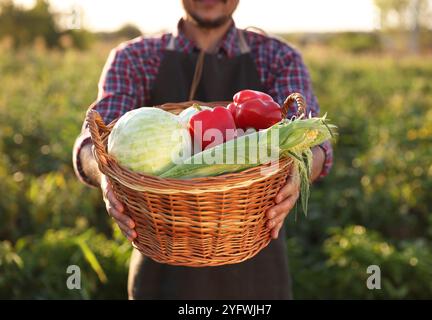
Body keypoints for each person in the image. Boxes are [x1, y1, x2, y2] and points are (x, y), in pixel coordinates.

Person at [73, 0, 333, 299]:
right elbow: (91, 143)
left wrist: (299, 172)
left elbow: (316, 144)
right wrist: (107, 175)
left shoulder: (277, 57)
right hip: (162, 275)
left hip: (256, 275)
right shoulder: (135, 58)